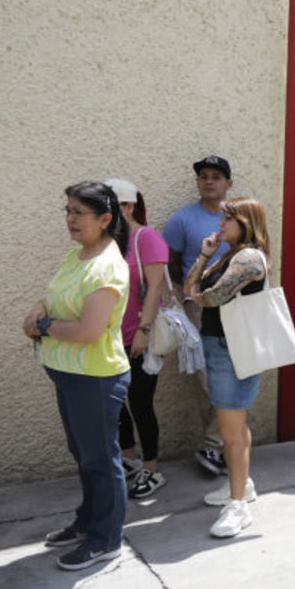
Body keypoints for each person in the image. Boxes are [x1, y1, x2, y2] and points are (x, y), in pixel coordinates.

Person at [25, 182, 131, 570]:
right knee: (85, 454)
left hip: (95, 377)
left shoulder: (106, 267)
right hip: (69, 373)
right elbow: (53, 295)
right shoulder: (78, 255)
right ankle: (88, 521)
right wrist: (39, 308)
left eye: (78, 213)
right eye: (67, 210)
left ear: (105, 220)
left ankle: (107, 539)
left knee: (102, 459)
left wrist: (44, 326)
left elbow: (88, 332)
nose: (70, 219)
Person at [185, 197, 272, 538]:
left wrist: (196, 292)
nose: (220, 225)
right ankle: (242, 485)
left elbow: (210, 296)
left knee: (230, 430)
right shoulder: (231, 254)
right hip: (223, 346)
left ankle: (238, 506)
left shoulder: (249, 258)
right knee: (235, 424)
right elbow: (193, 286)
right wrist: (206, 254)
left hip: (231, 349)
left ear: (246, 222)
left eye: (227, 219)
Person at [163, 155, 232, 478]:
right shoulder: (182, 220)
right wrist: (187, 298)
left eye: (216, 176)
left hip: (237, 308)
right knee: (206, 378)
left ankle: (216, 443)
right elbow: (172, 264)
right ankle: (216, 444)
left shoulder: (239, 217)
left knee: (235, 375)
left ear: (228, 184)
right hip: (199, 309)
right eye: (203, 176)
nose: (209, 181)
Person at [107, 178, 169, 500]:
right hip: (108, 339)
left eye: (109, 206)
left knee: (141, 404)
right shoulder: (107, 242)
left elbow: (155, 287)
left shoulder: (147, 238)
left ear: (128, 206)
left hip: (139, 338)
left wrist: (143, 332)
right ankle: (129, 459)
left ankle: (152, 468)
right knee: (115, 404)